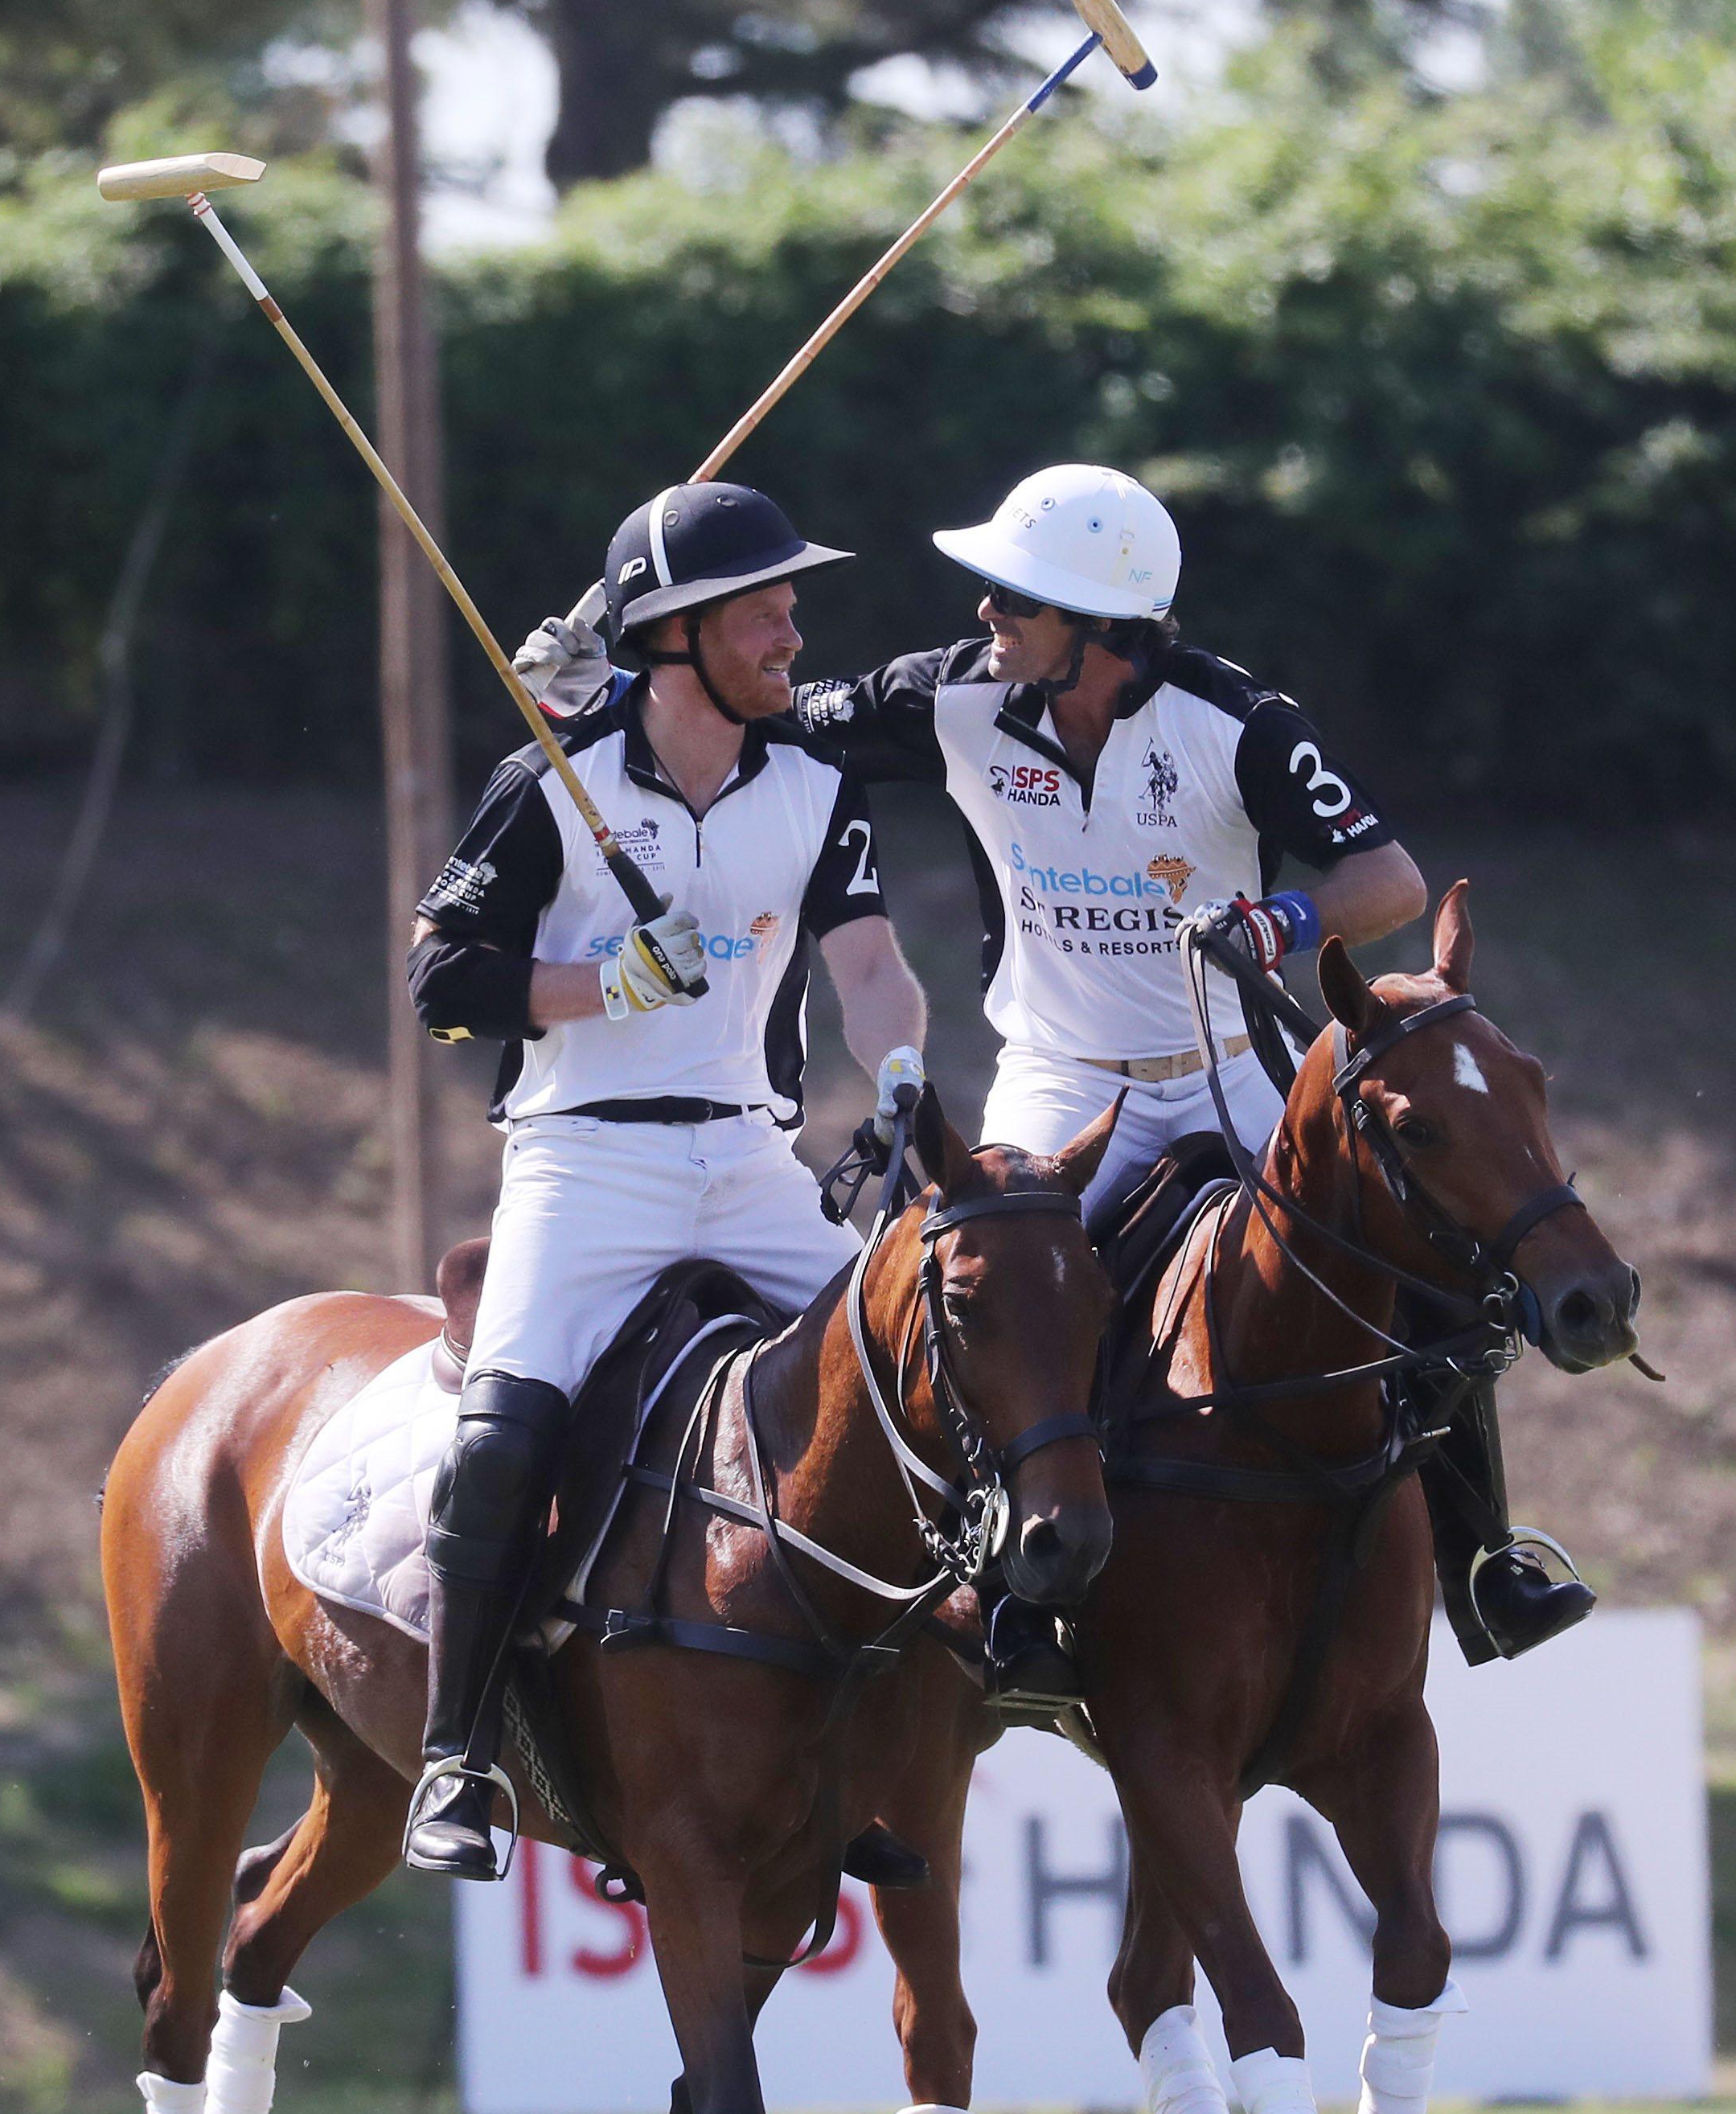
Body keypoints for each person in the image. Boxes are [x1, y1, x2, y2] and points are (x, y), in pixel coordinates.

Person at [518, 463, 1594, 1686]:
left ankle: (1483, 1562)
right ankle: (996, 1589)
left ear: (1099, 628)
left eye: (1014, 601)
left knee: (1416, 1261)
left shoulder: (1234, 721)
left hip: (1233, 1062)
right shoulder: (952, 697)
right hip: (1063, 1077)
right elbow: (759, 711)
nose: (986, 617)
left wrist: (1282, 921)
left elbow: (1390, 877)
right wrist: (603, 686)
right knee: (992, 1289)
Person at [401, 482, 928, 1880]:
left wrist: (903, 1080)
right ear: (679, 634)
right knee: (504, 1436)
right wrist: (600, 981)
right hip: (588, 1160)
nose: (794, 631)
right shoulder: (553, 780)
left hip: (755, 1158)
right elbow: (441, 983)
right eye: (766, 610)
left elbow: (866, 964)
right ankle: (455, 1758)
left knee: (916, 1380)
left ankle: (876, 1740)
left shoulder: (818, 781)